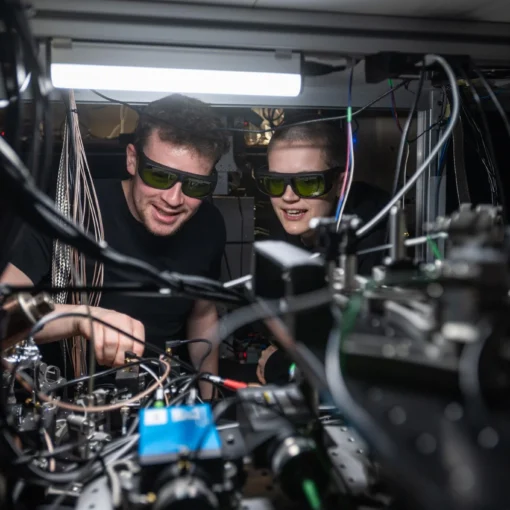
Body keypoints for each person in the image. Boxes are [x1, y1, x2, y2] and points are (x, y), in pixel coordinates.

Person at [0, 94, 230, 399]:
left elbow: (202, 315)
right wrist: (82, 318)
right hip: (75, 409)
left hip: (165, 403)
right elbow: (3, 314)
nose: (174, 200)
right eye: (159, 175)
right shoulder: (69, 210)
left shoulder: (209, 224)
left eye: (196, 185)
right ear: (132, 159)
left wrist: (209, 402)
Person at [254, 121, 389, 385]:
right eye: (275, 182)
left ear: (341, 183)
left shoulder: (374, 229)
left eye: (308, 183)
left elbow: (365, 352)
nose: (288, 197)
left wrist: (282, 363)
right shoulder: (287, 227)